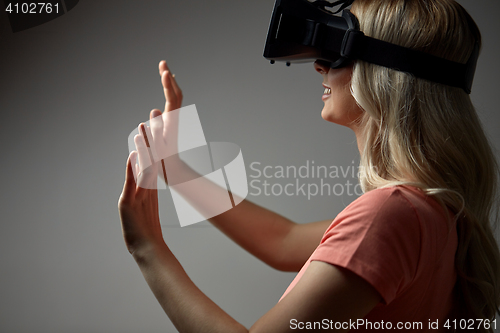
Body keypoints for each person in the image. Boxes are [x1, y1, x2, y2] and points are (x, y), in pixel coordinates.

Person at [118, 0, 500, 331]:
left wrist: (147, 245)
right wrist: (177, 170)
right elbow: (282, 241)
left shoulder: (392, 213)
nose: (319, 67)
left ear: (382, 74)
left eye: (336, 52)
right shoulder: (434, 213)